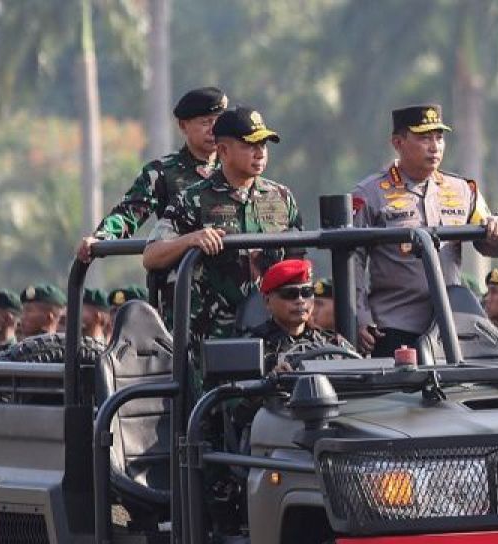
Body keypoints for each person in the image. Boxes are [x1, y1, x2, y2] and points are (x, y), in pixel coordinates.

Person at [351, 104, 498, 357]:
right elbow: (353, 261)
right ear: (398, 142)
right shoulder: (370, 193)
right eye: (424, 138)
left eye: (439, 137)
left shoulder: (463, 190)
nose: (435, 146)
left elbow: (489, 243)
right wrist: (359, 317)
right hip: (394, 325)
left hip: (450, 323)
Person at [143, 106, 304, 343]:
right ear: (223, 151)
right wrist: (191, 240)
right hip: (211, 338)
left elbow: (297, 265)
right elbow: (151, 256)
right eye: (250, 145)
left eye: (263, 145)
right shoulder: (193, 199)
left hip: (273, 337)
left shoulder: (281, 197)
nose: (260, 153)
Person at [77, 86, 227, 262]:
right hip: (183, 279)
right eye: (205, 122)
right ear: (183, 125)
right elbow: (129, 213)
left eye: (218, 122)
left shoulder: (235, 167)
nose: (213, 130)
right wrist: (101, 238)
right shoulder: (162, 172)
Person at [251, 259, 354, 372]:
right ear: (267, 301)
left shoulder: (333, 344)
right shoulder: (252, 349)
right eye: (290, 294)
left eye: (307, 292)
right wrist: (269, 381)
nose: (300, 300)